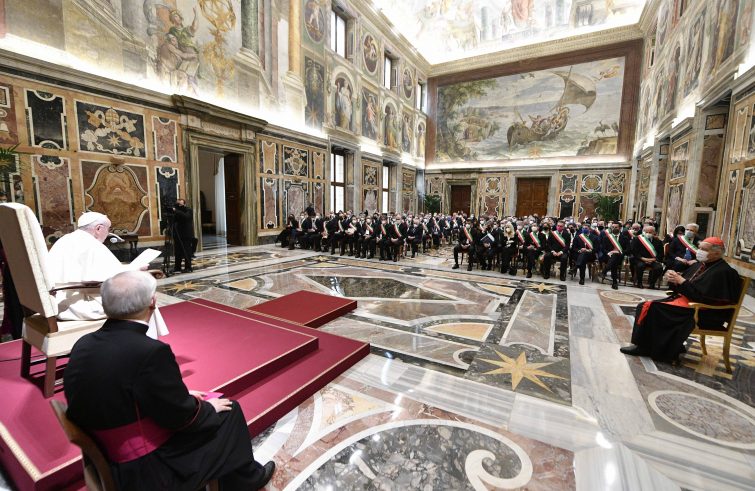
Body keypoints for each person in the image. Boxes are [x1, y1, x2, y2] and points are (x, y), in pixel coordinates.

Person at [64, 271, 275, 490]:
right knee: (230, 412)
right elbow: (181, 417)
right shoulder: (150, 351)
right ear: (152, 302)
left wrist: (183, 396)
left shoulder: (83, 343)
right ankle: (248, 481)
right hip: (147, 471)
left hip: (110, 454)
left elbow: (120, 392)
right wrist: (207, 409)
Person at [47, 211, 168, 339]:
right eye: (108, 229)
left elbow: (97, 273)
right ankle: (143, 344)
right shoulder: (91, 245)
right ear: (98, 228)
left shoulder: (65, 239)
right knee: (144, 301)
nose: (108, 234)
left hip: (59, 301)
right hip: (80, 304)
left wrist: (128, 269)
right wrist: (134, 270)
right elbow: (109, 279)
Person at [620, 237, 742, 361]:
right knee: (645, 305)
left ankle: (655, 348)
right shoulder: (700, 265)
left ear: (717, 253)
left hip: (705, 313)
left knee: (653, 308)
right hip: (690, 305)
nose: (699, 251)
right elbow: (688, 286)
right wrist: (675, 280)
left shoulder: (723, 272)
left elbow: (702, 297)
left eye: (704, 249)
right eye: (699, 248)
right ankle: (649, 345)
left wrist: (682, 282)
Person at [600, 222, 630, 290]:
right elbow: (603, 249)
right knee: (614, 260)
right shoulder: (606, 237)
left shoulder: (625, 238)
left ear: (620, 228)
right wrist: (609, 253)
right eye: (613, 227)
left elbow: (628, 249)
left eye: (616, 227)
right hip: (608, 256)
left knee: (615, 257)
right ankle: (614, 282)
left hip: (620, 257)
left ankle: (605, 270)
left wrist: (620, 252)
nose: (614, 228)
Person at [172, 199, 195, 273]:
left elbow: (186, 217)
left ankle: (188, 267)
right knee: (177, 252)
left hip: (186, 234)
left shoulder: (189, 210)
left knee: (187, 252)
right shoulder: (176, 212)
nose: (179, 206)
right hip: (178, 234)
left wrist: (176, 211)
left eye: (180, 204)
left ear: (184, 204)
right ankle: (177, 268)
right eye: (177, 204)